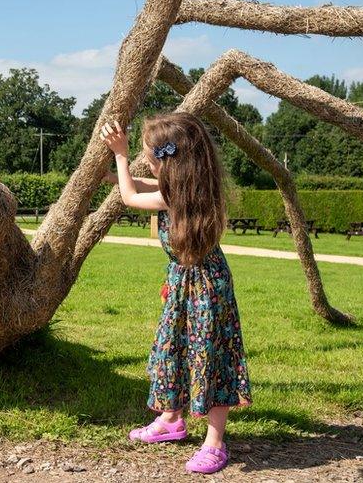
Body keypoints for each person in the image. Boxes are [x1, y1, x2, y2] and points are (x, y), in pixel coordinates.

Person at [101, 113, 251, 474]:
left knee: (209, 357)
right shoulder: (192, 188)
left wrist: (119, 156)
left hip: (205, 289)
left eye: (149, 157)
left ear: (170, 163)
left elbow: (132, 196)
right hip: (188, 282)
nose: (146, 162)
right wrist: (109, 175)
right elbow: (146, 187)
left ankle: (214, 443)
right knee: (172, 348)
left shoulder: (183, 198)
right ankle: (171, 420)